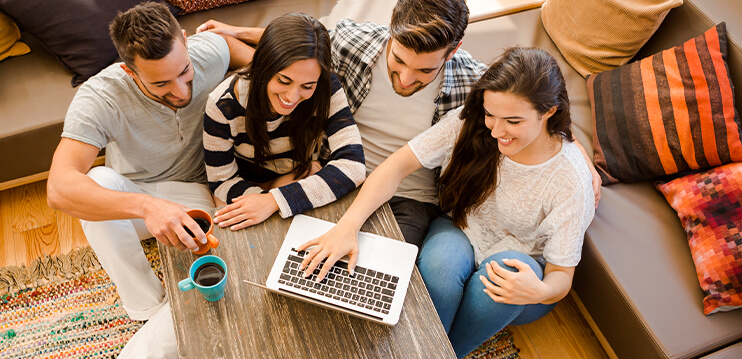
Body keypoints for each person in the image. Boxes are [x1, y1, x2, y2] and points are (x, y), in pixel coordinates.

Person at [196, 0, 602, 250]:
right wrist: (235, 31)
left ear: (454, 48)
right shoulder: (355, 42)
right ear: (391, 32)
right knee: (290, 254)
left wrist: (571, 146)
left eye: (424, 70)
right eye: (399, 61)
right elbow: (302, 42)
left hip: (411, 199)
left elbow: (531, 104)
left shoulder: (473, 84)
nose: (407, 79)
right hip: (336, 173)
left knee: (370, 275)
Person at [297, 47, 596, 358]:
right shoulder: (471, 123)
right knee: (440, 272)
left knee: (500, 276)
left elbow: (561, 277)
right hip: (461, 229)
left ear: (549, 112)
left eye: (513, 121)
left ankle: (429, 352)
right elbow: (396, 166)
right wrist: (348, 226)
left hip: (521, 278)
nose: (496, 130)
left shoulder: (570, 180)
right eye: (490, 114)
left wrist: (542, 290)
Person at [46, 2, 253, 357]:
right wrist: (147, 206)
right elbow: (58, 188)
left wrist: (237, 36)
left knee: (223, 268)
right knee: (97, 180)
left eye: (184, 72)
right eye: (161, 83)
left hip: (196, 190)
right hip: (134, 194)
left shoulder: (208, 51)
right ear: (130, 71)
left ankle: (156, 333)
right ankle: (148, 307)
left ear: (186, 42)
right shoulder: (100, 95)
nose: (181, 90)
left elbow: (267, 60)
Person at [203, 13, 365, 230]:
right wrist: (266, 197)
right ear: (263, 67)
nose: (291, 97)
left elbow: (353, 165)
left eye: (307, 86)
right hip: (247, 187)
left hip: (296, 180)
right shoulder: (223, 104)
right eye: (283, 81)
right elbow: (222, 181)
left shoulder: (327, 87)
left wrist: (275, 200)